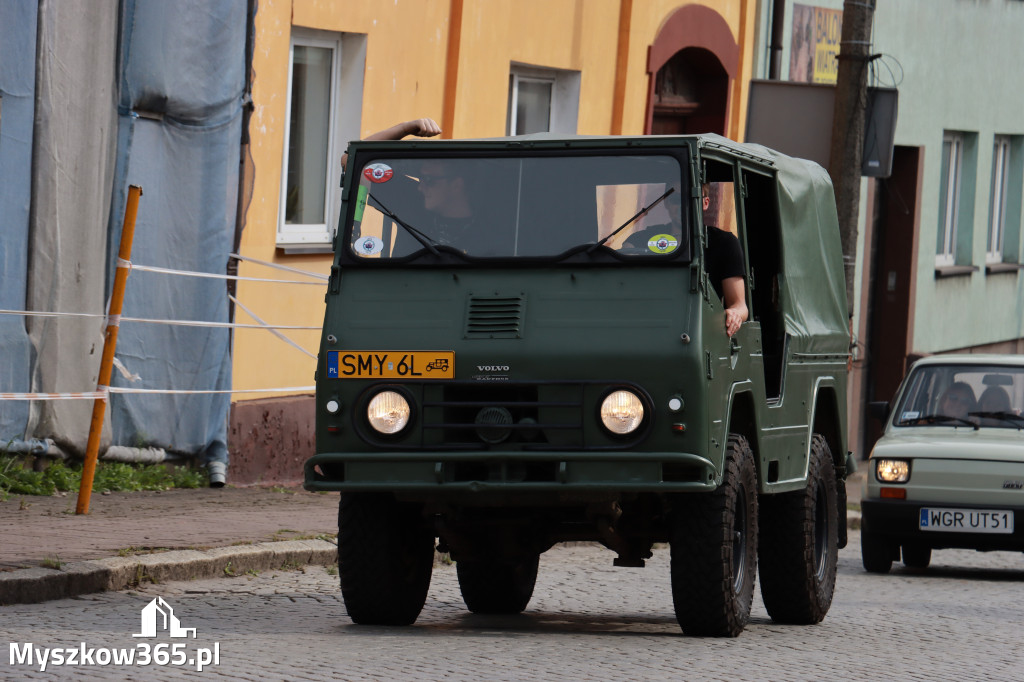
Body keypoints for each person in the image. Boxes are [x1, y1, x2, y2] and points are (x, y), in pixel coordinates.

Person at [626, 184, 747, 336]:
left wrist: (734, 314)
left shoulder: (724, 242)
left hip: (702, 333)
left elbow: (740, 305)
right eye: (676, 199)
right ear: (666, 203)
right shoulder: (642, 239)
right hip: (649, 328)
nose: (683, 206)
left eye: (692, 198)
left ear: (705, 203)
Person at [340, 117, 442, 173]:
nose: (422, 187)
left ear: (457, 184)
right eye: (423, 177)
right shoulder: (415, 195)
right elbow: (349, 162)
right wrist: (404, 128)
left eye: (430, 180)